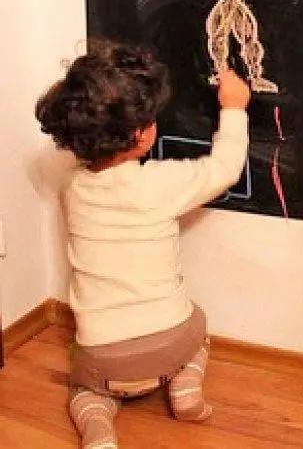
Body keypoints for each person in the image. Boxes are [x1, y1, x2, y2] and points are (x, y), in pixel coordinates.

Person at [35, 39, 250, 449]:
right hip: (172, 344)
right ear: (140, 134)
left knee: (84, 389)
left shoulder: (71, 189)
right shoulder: (158, 185)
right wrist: (234, 107)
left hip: (104, 358)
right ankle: (185, 384)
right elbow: (224, 169)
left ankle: (98, 428)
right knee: (199, 326)